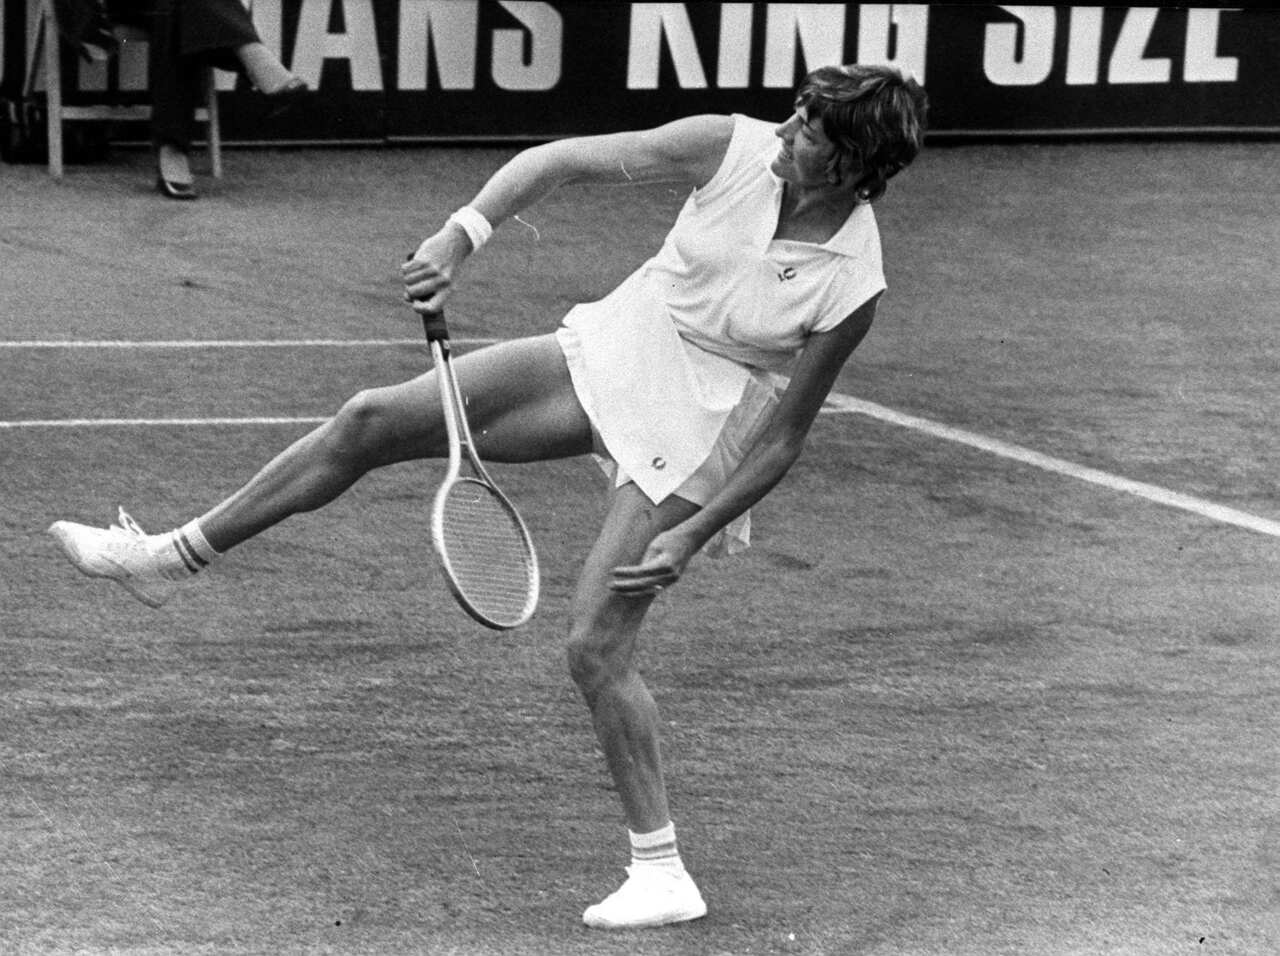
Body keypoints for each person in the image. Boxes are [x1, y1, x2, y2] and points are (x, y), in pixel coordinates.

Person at [49, 64, 928, 929]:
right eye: (793, 115)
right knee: (369, 421)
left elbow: (782, 440)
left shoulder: (852, 281)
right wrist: (459, 235)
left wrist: (694, 533)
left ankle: (662, 872)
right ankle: (168, 558)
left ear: (853, 162)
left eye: (808, 128)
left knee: (595, 647)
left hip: (699, 423)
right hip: (619, 343)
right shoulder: (726, 148)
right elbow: (559, 160)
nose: (782, 131)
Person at [56, 0, 308, 198]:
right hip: (107, 11)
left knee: (177, 17)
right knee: (181, 15)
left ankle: (172, 148)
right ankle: (254, 57)